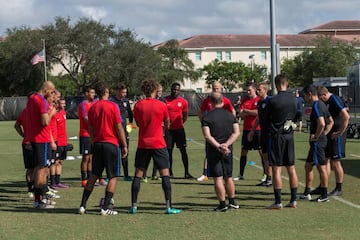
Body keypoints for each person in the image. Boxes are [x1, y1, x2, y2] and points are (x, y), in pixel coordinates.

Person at [128, 79, 181, 214]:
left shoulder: (138, 105)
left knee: (138, 175)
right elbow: (167, 124)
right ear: (154, 90)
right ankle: (168, 207)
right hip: (158, 143)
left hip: (143, 143)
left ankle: (133, 206)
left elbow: (139, 124)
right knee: (165, 174)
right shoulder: (161, 105)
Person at [79, 81, 128, 216]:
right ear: (106, 91)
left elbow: (90, 127)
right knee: (113, 176)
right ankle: (105, 207)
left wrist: (94, 139)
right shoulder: (113, 106)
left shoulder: (93, 108)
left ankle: (83, 205)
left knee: (94, 175)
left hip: (98, 144)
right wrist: (124, 144)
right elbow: (118, 127)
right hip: (111, 143)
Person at [201, 92, 240, 211]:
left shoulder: (207, 117)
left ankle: (222, 204)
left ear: (210, 103)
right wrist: (226, 145)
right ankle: (232, 201)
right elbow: (236, 132)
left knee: (218, 177)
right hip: (228, 150)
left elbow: (207, 136)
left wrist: (219, 146)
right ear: (222, 101)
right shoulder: (230, 115)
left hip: (214, 150)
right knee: (228, 176)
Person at [265, 74, 299, 209]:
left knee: (276, 169)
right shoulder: (294, 100)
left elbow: (267, 119)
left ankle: (278, 201)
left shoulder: (273, 100)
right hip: (289, 135)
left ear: (276, 85)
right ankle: (293, 200)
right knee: (291, 168)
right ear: (287, 84)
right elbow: (297, 116)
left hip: (277, 136)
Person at [26, 81, 57, 209]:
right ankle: (39, 200)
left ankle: (40, 198)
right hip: (41, 139)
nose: (52, 94)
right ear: (46, 90)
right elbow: (45, 122)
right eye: (52, 91)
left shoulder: (31, 99)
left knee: (40, 168)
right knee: (42, 170)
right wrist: (52, 112)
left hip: (34, 138)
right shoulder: (40, 100)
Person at [300, 85, 334, 202]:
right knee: (308, 166)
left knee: (321, 167)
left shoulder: (316, 105)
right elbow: (331, 121)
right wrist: (324, 133)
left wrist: (317, 135)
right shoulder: (322, 104)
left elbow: (322, 123)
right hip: (319, 141)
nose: (304, 98)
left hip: (317, 142)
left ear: (310, 94)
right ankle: (307, 192)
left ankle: (324, 194)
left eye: (305, 95)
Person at [197, 81, 236, 182]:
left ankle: (225, 174)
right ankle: (205, 173)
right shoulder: (208, 100)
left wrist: (231, 123)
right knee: (209, 151)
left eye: (217, 88)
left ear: (221, 89)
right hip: (212, 131)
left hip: (223, 131)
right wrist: (204, 123)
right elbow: (200, 112)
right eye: (214, 88)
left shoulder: (225, 100)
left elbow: (233, 112)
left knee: (225, 152)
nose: (216, 90)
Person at [317, 86, 350, 196]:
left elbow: (346, 116)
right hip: (330, 134)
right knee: (325, 159)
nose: (321, 101)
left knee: (335, 161)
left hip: (337, 135)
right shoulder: (328, 101)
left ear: (324, 95)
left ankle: (339, 188)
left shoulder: (334, 99)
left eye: (321, 98)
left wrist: (340, 132)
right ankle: (323, 185)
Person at [234, 83, 263, 181]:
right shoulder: (244, 100)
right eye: (247, 90)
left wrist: (246, 111)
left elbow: (258, 113)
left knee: (262, 152)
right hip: (246, 130)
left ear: (255, 90)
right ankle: (241, 174)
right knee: (243, 152)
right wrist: (248, 112)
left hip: (258, 130)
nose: (247, 92)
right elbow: (240, 115)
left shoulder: (258, 100)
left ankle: (265, 174)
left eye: (249, 90)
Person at [165, 82, 193, 179]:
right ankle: (170, 172)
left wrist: (180, 124)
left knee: (183, 151)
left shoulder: (183, 102)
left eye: (177, 89)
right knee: (169, 151)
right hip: (168, 131)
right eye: (173, 89)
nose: (175, 91)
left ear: (179, 91)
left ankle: (186, 172)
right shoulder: (165, 100)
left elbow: (185, 116)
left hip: (179, 130)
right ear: (171, 89)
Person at [248, 81, 272, 186]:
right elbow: (259, 118)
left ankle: (272, 178)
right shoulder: (260, 102)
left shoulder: (270, 101)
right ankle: (268, 177)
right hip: (263, 133)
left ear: (265, 90)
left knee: (271, 157)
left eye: (260, 89)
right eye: (257, 89)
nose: (258, 91)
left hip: (271, 133)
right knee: (265, 156)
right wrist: (252, 130)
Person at [110, 83, 135, 181]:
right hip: (114, 132)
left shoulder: (126, 101)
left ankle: (126, 174)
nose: (124, 94)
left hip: (124, 131)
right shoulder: (111, 102)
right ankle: (112, 174)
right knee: (113, 154)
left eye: (125, 92)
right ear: (118, 91)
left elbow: (130, 114)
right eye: (123, 92)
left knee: (125, 152)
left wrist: (129, 126)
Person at [14, 92, 35, 198]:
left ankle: (39, 188)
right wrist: (24, 135)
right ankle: (31, 189)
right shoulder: (26, 112)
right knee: (31, 168)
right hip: (28, 143)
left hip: (37, 143)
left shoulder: (35, 110)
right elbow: (16, 125)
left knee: (39, 167)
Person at [78, 86, 96, 187]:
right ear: (86, 93)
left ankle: (90, 178)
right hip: (85, 134)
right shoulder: (83, 105)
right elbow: (86, 119)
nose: (93, 95)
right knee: (85, 157)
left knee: (91, 157)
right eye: (91, 93)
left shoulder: (93, 104)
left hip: (92, 134)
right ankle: (84, 179)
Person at [51, 96, 69, 189]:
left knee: (61, 161)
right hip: (57, 141)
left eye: (64, 103)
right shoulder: (53, 114)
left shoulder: (63, 112)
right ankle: (53, 182)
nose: (63, 105)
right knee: (55, 162)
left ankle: (58, 181)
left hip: (64, 141)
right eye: (62, 103)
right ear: (57, 103)